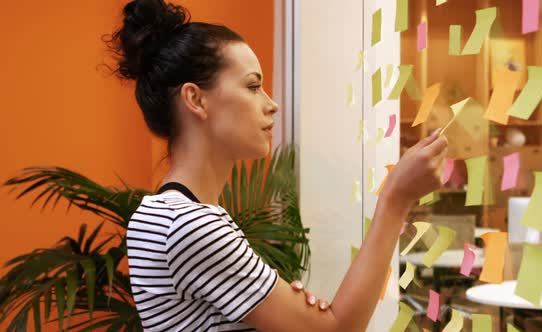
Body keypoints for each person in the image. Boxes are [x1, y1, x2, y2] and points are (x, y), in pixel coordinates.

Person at [105, 0, 447, 331]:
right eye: (252, 86)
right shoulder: (189, 225)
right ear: (196, 99)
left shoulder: (161, 213)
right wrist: (396, 199)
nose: (272, 105)